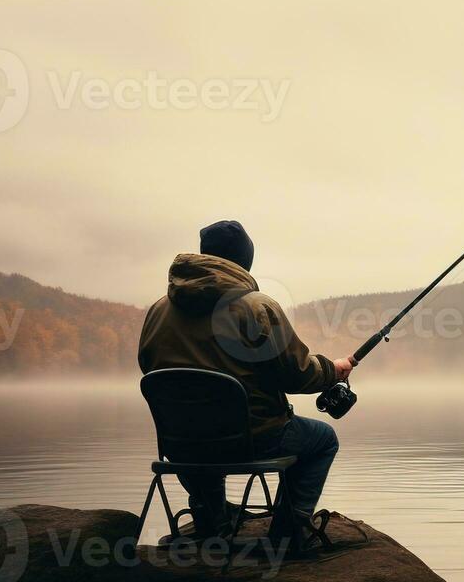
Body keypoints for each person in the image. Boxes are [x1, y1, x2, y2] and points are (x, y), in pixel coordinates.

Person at [138, 219, 353, 536]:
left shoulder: (159, 310)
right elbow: (298, 375)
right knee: (323, 439)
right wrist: (332, 370)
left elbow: (148, 365)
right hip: (254, 441)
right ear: (244, 261)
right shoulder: (256, 308)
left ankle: (211, 519)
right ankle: (290, 531)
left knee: (200, 427)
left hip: (180, 443)